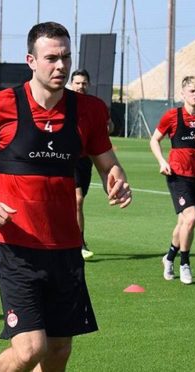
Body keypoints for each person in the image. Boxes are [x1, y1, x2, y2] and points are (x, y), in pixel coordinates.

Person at [0, 22, 132, 371]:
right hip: (17, 245)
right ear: (31, 60)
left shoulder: (89, 110)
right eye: (51, 58)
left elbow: (108, 163)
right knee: (31, 348)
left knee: (60, 349)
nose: (60, 65)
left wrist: (117, 179)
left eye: (65, 57)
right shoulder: (1, 105)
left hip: (65, 246)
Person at [149, 76, 195, 285]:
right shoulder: (172, 116)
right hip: (177, 176)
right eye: (191, 91)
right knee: (191, 218)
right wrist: (162, 161)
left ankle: (169, 257)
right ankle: (185, 263)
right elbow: (154, 140)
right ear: (183, 94)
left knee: (183, 222)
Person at [69, 68, 115, 260]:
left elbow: (110, 125)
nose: (81, 86)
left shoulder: (95, 105)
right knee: (73, 200)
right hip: (62, 157)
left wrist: (104, 129)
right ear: (71, 83)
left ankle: (78, 241)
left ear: (89, 84)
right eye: (77, 82)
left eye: (84, 83)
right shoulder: (63, 102)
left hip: (84, 159)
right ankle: (73, 242)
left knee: (78, 201)